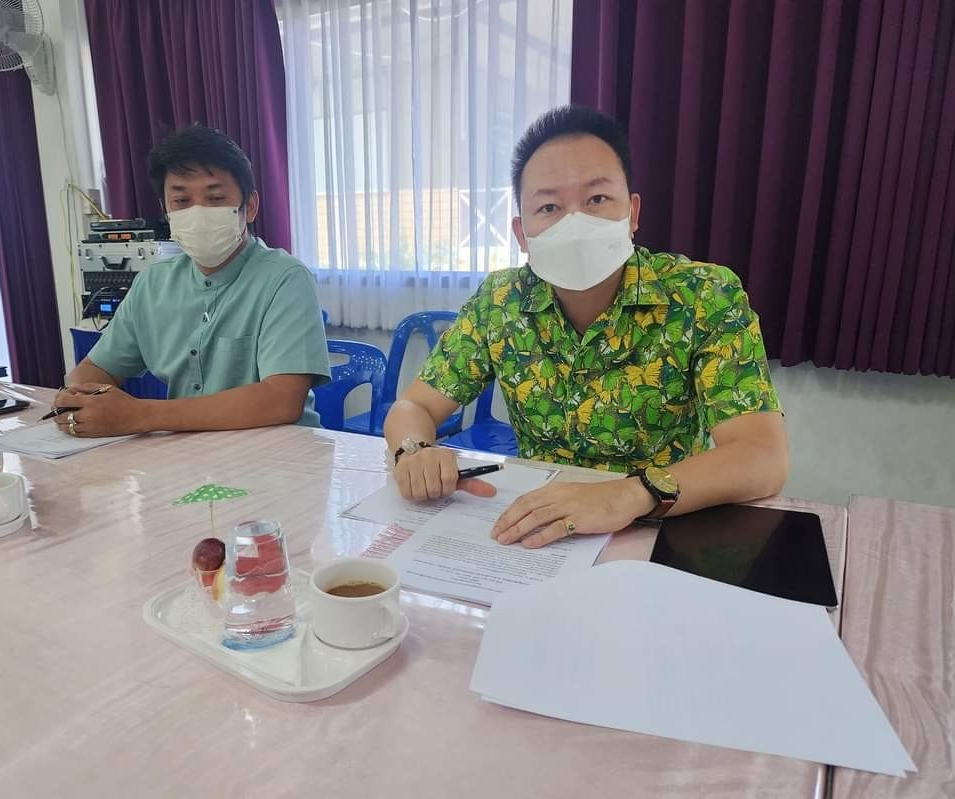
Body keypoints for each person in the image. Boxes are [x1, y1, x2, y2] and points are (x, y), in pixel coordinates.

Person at [384, 105, 788, 549]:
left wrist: (629, 494)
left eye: (596, 199)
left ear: (632, 213)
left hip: (661, 527)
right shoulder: (500, 302)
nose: (574, 224)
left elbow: (762, 456)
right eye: (549, 207)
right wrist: (414, 451)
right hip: (540, 533)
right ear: (522, 234)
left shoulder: (702, 295)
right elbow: (413, 407)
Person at [53, 124, 330, 437]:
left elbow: (281, 401)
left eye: (215, 198)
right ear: (166, 210)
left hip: (278, 452)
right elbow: (96, 368)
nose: (198, 213)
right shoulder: (153, 283)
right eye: (182, 201)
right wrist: (79, 398)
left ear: (250, 207)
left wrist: (139, 415)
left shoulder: (285, 278)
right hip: (188, 453)